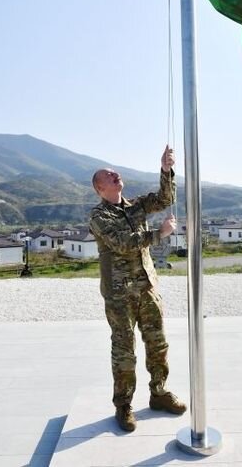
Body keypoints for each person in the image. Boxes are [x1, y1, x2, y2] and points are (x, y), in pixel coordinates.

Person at [89, 145, 186, 432]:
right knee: (124, 350)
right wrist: (159, 234)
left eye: (115, 172)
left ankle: (159, 393)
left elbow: (165, 199)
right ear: (100, 188)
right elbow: (123, 244)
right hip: (119, 294)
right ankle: (123, 405)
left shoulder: (135, 206)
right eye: (108, 175)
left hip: (146, 287)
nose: (115, 174)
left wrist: (166, 170)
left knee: (157, 342)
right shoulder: (99, 216)